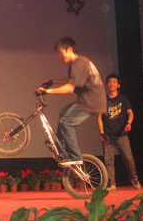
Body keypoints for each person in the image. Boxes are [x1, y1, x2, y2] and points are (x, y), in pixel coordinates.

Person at [36, 37, 106, 166]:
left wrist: (47, 91)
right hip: (89, 100)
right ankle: (60, 146)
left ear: (69, 49)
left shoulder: (79, 63)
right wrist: (53, 82)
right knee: (64, 112)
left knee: (66, 122)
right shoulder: (78, 63)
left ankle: (75, 156)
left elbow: (69, 88)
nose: (60, 56)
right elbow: (71, 80)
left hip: (91, 102)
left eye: (61, 53)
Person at [97, 73, 141, 190]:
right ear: (106, 85)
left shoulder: (123, 99)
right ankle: (112, 184)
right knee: (108, 161)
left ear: (118, 85)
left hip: (121, 134)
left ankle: (134, 179)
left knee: (128, 158)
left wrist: (129, 123)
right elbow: (99, 117)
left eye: (114, 82)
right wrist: (101, 132)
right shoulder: (103, 100)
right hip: (108, 135)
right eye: (109, 82)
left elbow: (130, 113)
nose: (111, 84)